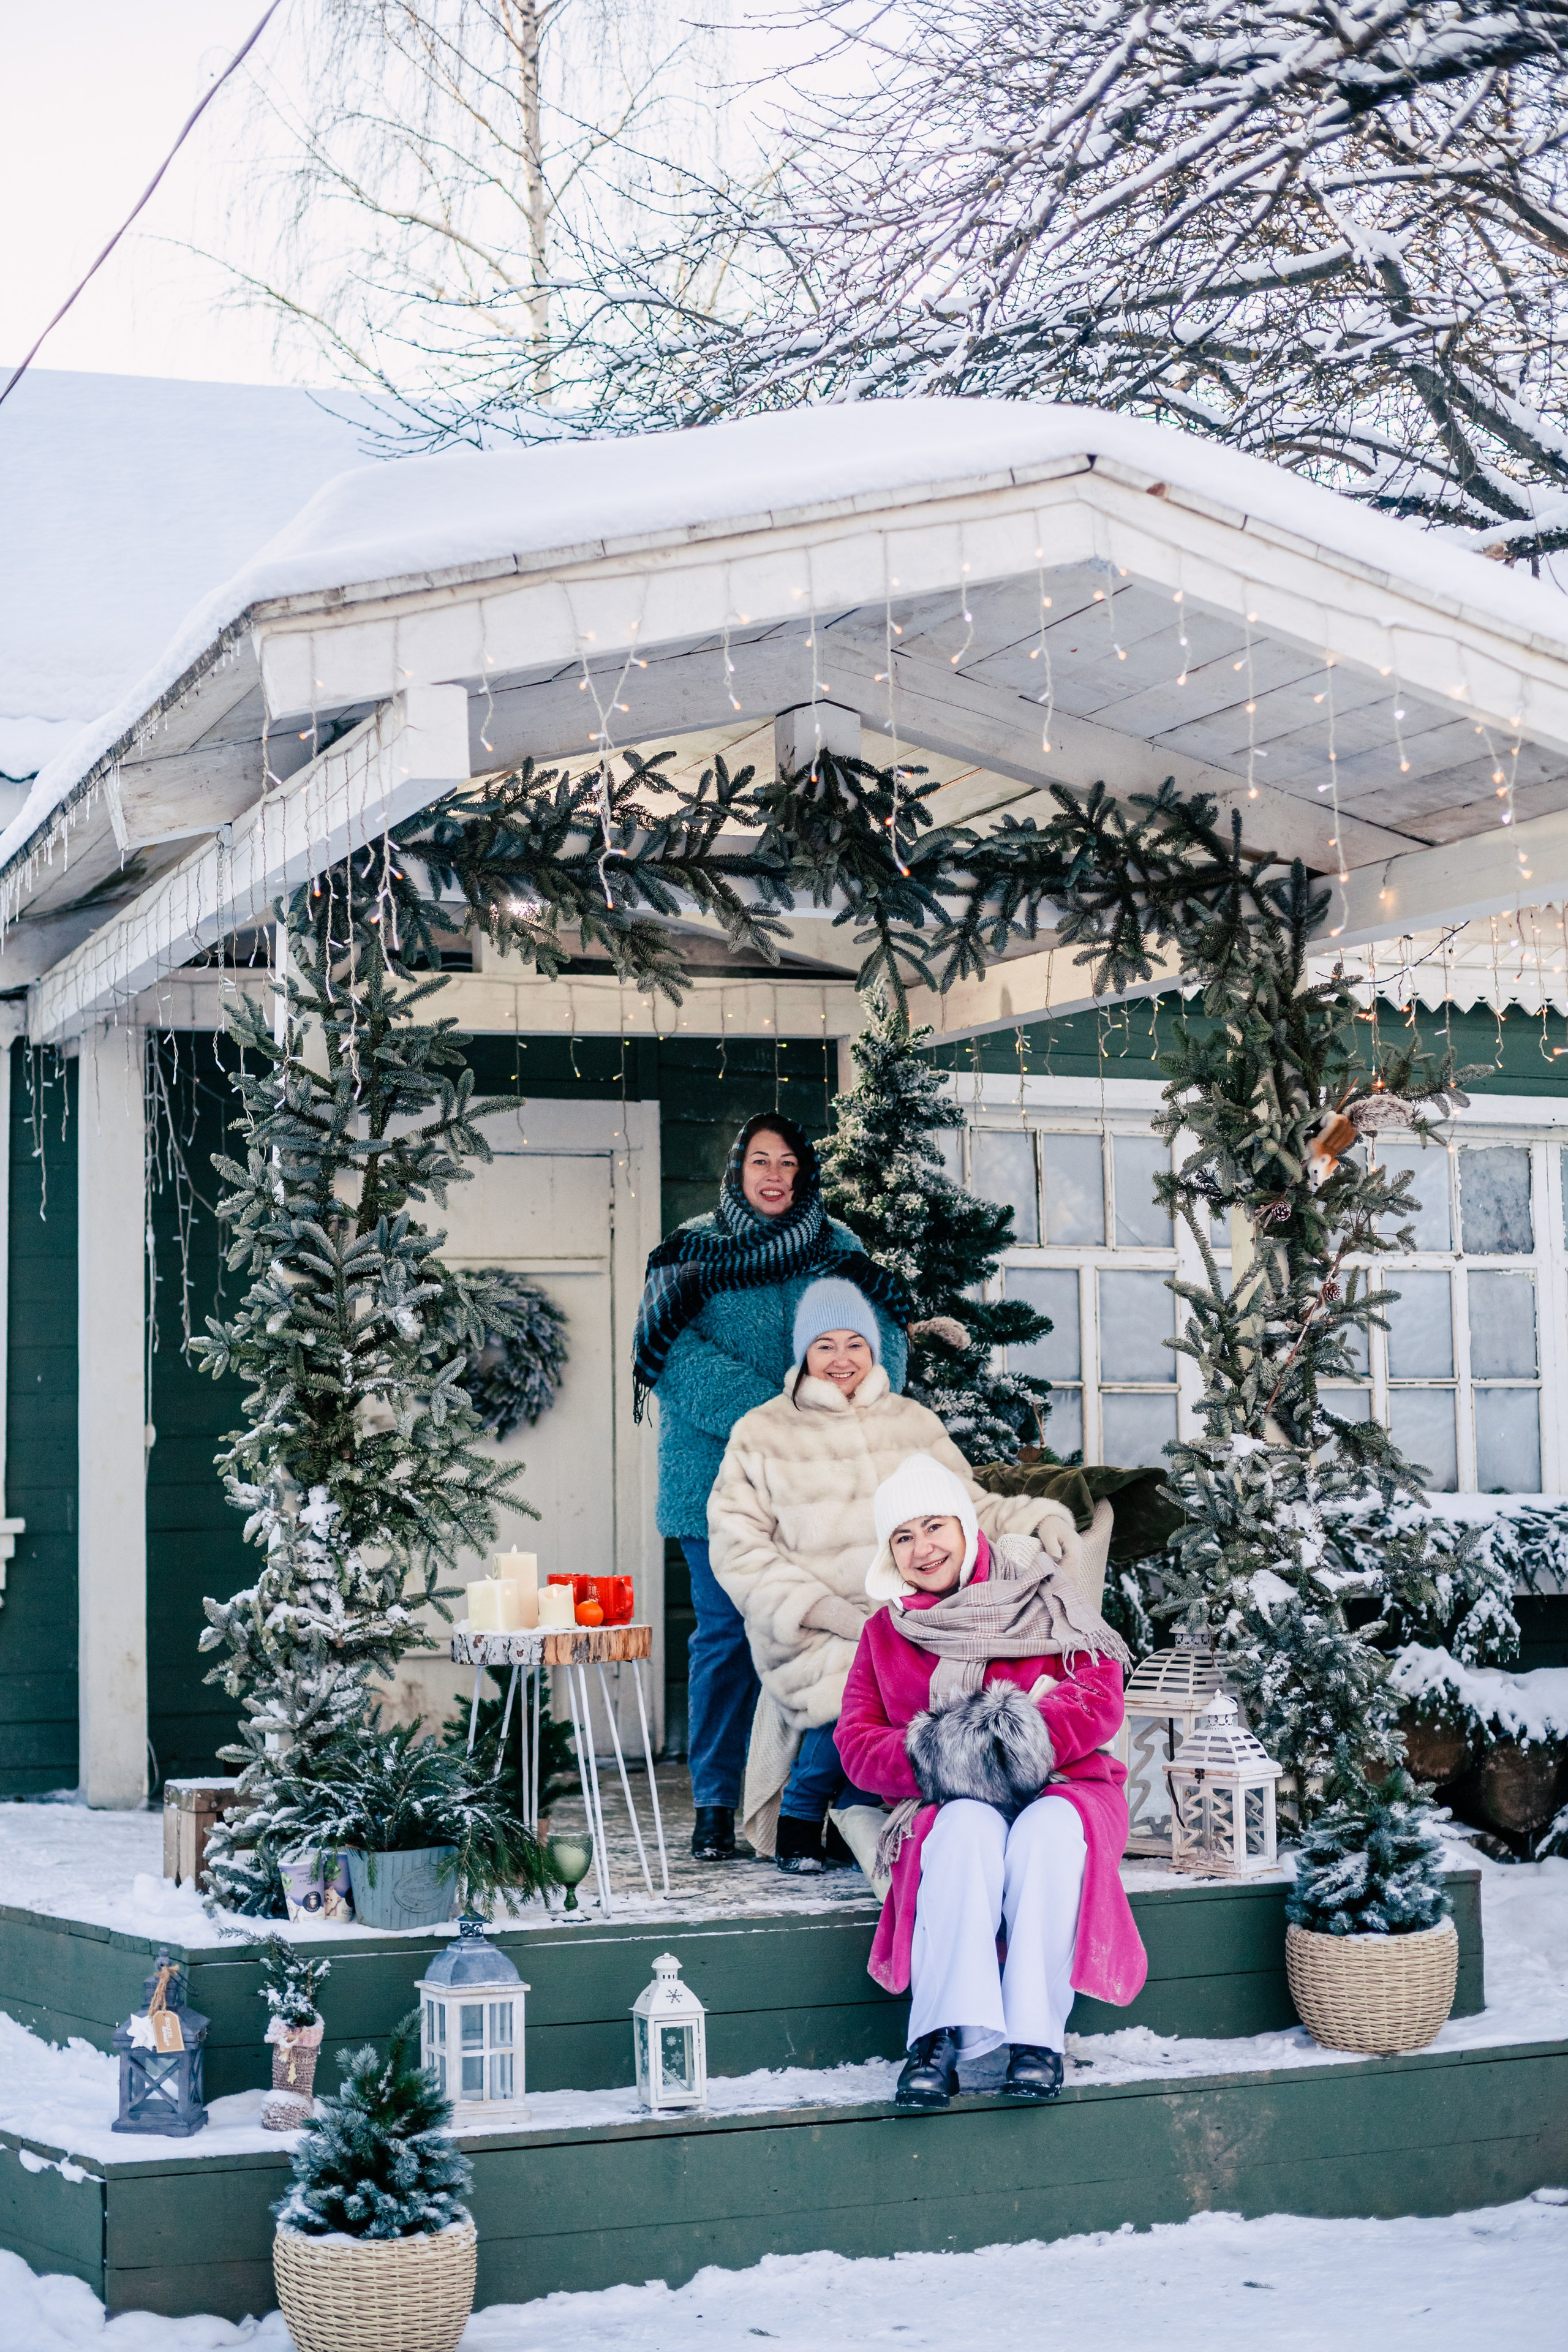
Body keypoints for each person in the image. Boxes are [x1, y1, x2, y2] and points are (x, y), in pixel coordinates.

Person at [707, 1280, 1101, 1873]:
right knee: (854, 1677)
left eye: (855, 1344)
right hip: (816, 1617)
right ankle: (801, 1810)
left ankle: (869, 1810)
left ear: (873, 1350)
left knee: (913, 1668)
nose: (841, 1359)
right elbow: (737, 1549)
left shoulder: (911, 1421)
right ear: (803, 1355)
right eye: (824, 1346)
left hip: (918, 1607)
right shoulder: (761, 1433)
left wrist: (1039, 1518)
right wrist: (821, 1609)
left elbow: (968, 1506)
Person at [633, 1114, 910, 1863]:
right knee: (725, 1638)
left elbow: (887, 1341)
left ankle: (803, 1806)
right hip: (715, 1485)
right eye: (761, 1160)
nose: (775, 1175)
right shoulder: (691, 1249)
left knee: (818, 1637)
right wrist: (783, 1405)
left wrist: (846, 1401)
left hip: (820, 1491)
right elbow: (674, 1361)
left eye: (788, 1162)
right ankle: (717, 1804)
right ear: (737, 1170)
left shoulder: (839, 1248)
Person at [834, 1452, 1146, 2109]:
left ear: (964, 1527)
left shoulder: (1043, 1593)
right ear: (889, 1552)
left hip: (1066, 1785)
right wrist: (961, 1758)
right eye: (903, 1536)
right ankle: (941, 2037)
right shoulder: (885, 1633)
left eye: (934, 1527)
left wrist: (1003, 1745)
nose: (922, 1549)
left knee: (1046, 1834)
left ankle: (1037, 2039)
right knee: (964, 1829)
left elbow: (1097, 1695)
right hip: (945, 1801)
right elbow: (857, 1746)